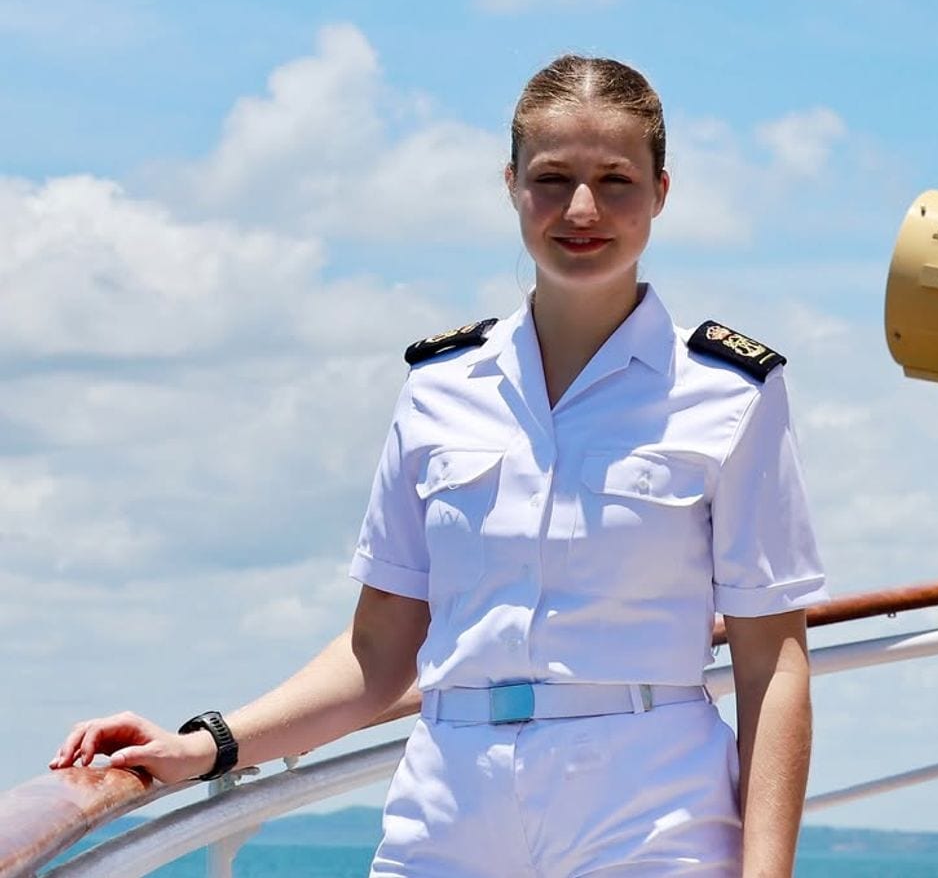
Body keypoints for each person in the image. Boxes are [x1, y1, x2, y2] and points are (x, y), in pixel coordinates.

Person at [51, 55, 827, 876]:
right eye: (553, 178)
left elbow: (771, 659)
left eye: (617, 180)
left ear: (662, 192)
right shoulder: (439, 387)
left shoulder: (730, 394)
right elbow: (380, 647)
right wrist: (207, 745)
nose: (583, 209)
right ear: (512, 185)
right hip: (448, 817)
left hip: (647, 814)